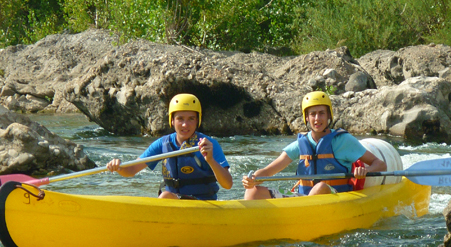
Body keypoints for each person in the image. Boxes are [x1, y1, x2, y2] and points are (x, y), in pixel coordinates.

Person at [242, 91, 386, 199]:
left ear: (329, 116)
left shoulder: (344, 141)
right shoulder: (301, 144)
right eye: (313, 114)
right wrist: (253, 178)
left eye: (322, 113)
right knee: (253, 192)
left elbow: (379, 164)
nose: (317, 119)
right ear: (306, 117)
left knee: (320, 187)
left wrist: (365, 171)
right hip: (302, 200)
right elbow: (268, 172)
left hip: (336, 197)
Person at [107, 93, 232, 200]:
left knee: (165, 196)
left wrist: (210, 160)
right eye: (180, 118)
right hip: (174, 201)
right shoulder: (162, 144)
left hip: (203, 205)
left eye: (191, 119)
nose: (185, 124)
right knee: (166, 196)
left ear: (197, 121)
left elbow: (227, 184)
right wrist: (119, 167)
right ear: (172, 120)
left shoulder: (209, 144)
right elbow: (131, 170)